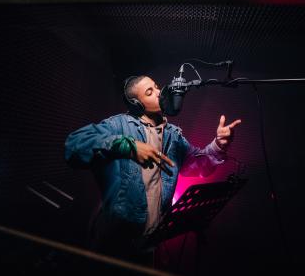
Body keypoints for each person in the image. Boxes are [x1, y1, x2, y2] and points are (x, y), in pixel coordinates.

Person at [64, 75, 241, 266]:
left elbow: (199, 166)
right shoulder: (119, 125)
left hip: (150, 244)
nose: (160, 92)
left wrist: (218, 145)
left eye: (157, 87)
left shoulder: (173, 135)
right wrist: (128, 146)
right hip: (114, 242)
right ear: (137, 104)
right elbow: (74, 146)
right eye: (150, 92)